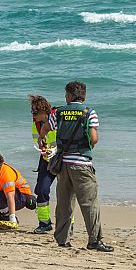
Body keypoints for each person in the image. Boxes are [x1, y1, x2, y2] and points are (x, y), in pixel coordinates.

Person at [52, 81, 113, 252]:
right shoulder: (89, 112)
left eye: (66, 94)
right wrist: (87, 148)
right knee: (89, 204)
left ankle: (62, 240)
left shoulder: (58, 112)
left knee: (64, 204)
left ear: (70, 95)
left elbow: (46, 129)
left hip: (63, 164)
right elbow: (94, 138)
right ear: (83, 95)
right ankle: (94, 240)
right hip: (82, 164)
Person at [30, 94, 59, 234]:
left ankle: (67, 224)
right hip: (46, 160)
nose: (33, 115)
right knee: (41, 190)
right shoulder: (35, 125)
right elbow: (38, 141)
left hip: (62, 159)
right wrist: (43, 149)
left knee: (65, 193)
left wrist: (56, 150)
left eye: (35, 112)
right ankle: (44, 223)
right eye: (32, 111)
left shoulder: (58, 119)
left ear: (44, 110)